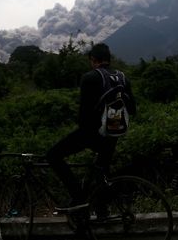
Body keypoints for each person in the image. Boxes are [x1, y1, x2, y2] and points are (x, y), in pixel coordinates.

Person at [46, 43, 136, 211]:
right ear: (109, 59)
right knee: (101, 171)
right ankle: (102, 211)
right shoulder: (123, 77)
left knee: (53, 156)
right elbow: (132, 109)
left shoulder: (90, 77)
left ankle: (78, 199)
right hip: (114, 133)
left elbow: (84, 116)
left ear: (93, 60)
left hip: (91, 133)